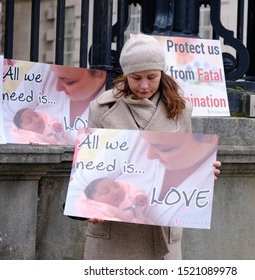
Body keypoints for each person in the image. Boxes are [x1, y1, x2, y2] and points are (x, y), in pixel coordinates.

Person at [83, 33, 220, 260]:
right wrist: (91, 209)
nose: (144, 85)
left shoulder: (181, 110)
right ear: (125, 75)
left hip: (160, 227)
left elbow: (183, 161)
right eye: (136, 78)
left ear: (162, 73)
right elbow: (89, 166)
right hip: (113, 231)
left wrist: (202, 171)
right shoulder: (101, 108)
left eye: (152, 77)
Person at [3, 61, 107, 143]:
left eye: (69, 82)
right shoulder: (43, 71)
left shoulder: (115, 104)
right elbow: (5, 119)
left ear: (99, 72)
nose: (57, 87)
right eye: (55, 75)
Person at [76, 177, 153, 224]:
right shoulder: (99, 208)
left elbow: (131, 189)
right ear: (94, 201)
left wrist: (138, 196)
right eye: (106, 191)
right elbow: (92, 215)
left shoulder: (127, 194)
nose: (115, 191)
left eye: (116, 186)